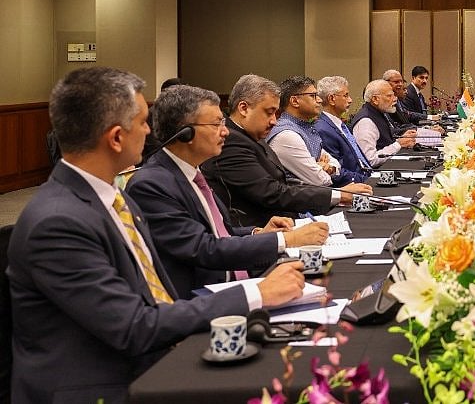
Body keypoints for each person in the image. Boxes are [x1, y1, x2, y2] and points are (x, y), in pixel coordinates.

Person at [7, 67, 305, 403]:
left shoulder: (113, 197)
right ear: (116, 138)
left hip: (152, 353)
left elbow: (154, 295)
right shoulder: (58, 222)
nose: (151, 131)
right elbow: (132, 326)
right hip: (105, 385)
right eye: (143, 122)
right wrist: (256, 293)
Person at [127, 84, 329, 297]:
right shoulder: (151, 185)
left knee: (324, 283)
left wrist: (258, 233)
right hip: (209, 299)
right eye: (216, 124)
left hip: (242, 278)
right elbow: (202, 248)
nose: (225, 131)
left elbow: (221, 231)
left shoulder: (192, 171)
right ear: (185, 133)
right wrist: (287, 240)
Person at [201, 74, 371, 228]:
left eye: (275, 113)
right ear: (244, 108)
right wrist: (339, 195)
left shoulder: (254, 136)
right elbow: (271, 192)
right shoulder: (231, 142)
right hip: (263, 232)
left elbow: (284, 183)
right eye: (269, 113)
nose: (274, 121)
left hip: (283, 222)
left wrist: (337, 193)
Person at [266, 75, 339, 187]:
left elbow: (336, 164)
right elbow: (320, 180)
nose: (319, 100)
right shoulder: (286, 135)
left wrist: (330, 167)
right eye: (313, 96)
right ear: (295, 101)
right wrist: (321, 167)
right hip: (301, 197)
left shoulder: (304, 127)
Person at [315, 75, 372, 185]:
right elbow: (337, 172)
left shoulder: (340, 125)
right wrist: (369, 180)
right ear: (332, 99)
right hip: (355, 185)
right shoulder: (323, 130)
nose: (350, 100)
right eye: (346, 96)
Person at [351, 79, 417, 166]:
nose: (395, 99)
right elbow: (369, 160)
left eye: (394, 95)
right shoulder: (366, 122)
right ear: (375, 99)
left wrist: (401, 139)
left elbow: (384, 142)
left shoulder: (379, 112)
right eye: (389, 96)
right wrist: (398, 144)